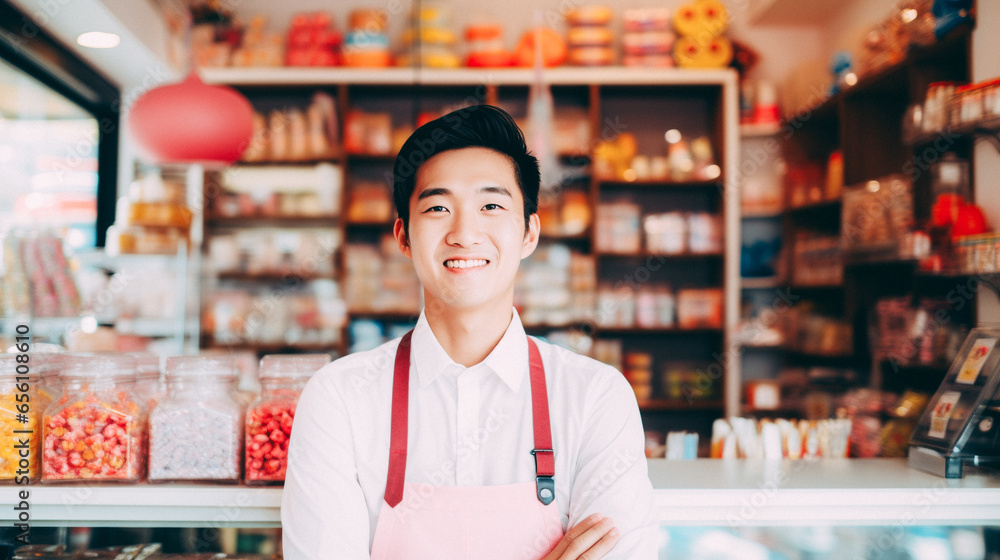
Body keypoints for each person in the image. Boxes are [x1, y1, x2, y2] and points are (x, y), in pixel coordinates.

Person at [282, 104, 657, 559]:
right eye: (438, 207)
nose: (464, 232)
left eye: (491, 205)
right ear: (403, 235)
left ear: (528, 233)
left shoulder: (596, 397)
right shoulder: (339, 398)